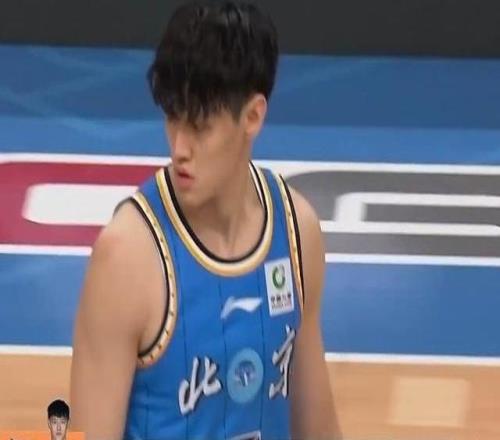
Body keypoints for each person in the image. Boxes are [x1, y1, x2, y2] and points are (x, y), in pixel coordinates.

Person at [70, 1, 341, 439]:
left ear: (252, 116)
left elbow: (318, 428)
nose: (179, 148)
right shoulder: (127, 258)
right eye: (172, 118)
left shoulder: (296, 232)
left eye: (199, 126)